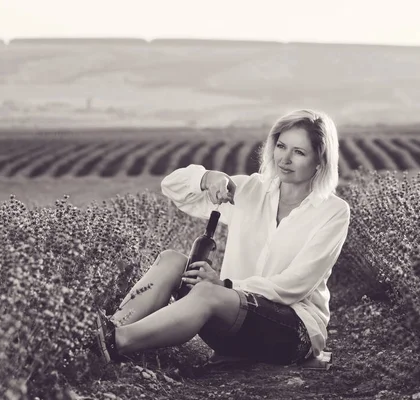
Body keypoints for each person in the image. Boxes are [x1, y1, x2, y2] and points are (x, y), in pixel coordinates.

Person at [91, 109, 351, 366]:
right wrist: (207, 178)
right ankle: (109, 329)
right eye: (281, 146)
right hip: (231, 321)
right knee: (172, 260)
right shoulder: (250, 190)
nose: (285, 159)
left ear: (320, 160)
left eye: (299, 152)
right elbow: (172, 188)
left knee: (207, 292)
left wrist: (225, 285)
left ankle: (118, 342)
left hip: (291, 333)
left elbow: (296, 285)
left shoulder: (333, 212)